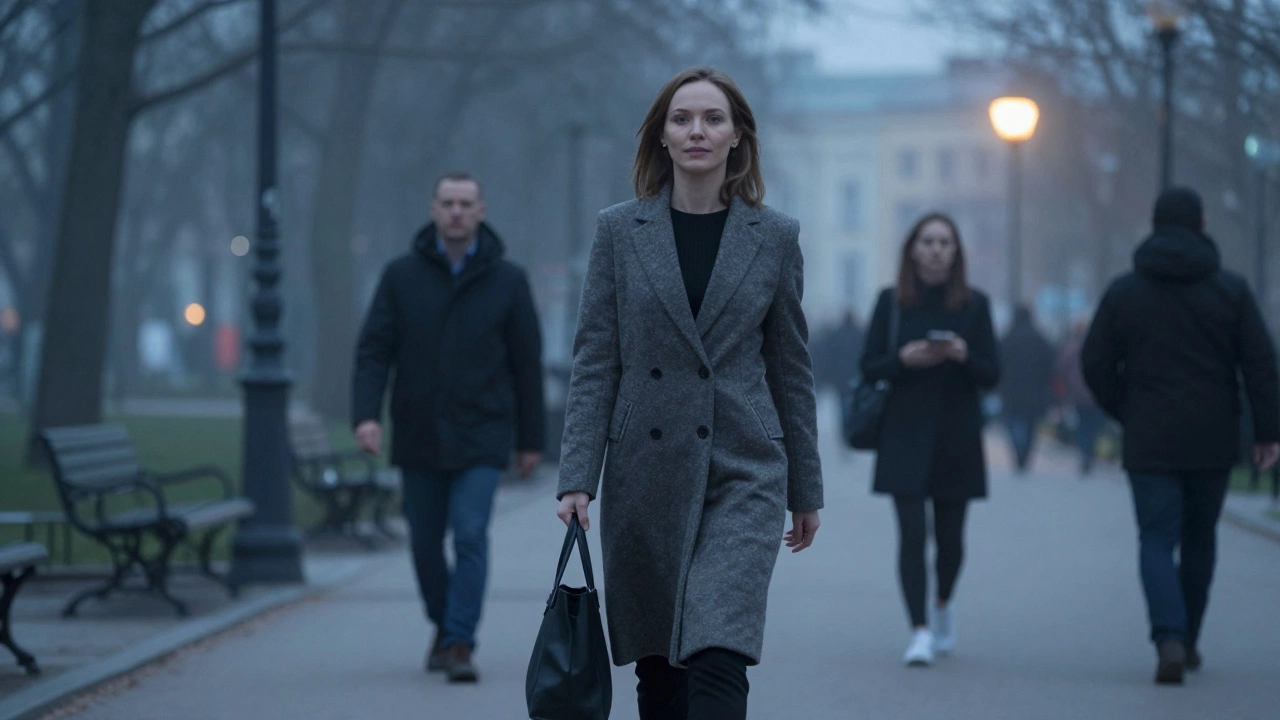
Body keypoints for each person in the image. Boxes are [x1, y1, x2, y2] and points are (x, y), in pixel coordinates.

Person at [554, 67, 822, 720]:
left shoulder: (775, 238)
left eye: (712, 118)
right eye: (682, 119)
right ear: (662, 138)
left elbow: (790, 367)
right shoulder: (620, 232)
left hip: (744, 468)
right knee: (660, 670)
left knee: (718, 647)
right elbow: (596, 361)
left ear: (737, 138)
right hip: (646, 469)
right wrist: (577, 474)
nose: (696, 130)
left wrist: (804, 489)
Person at [351, 172, 546, 684]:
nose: (456, 212)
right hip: (418, 432)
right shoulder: (400, 277)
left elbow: (527, 365)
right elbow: (374, 351)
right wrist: (366, 415)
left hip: (483, 434)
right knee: (423, 542)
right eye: (448, 203)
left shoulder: (509, 280)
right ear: (433, 209)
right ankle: (443, 623)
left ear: (481, 210)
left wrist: (531, 441)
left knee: (471, 535)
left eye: (466, 203)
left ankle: (460, 642)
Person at [1081, 186, 1280, 685]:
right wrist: (1267, 429)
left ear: (1153, 226)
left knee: (1155, 538)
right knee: (1199, 539)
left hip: (1149, 434)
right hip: (1213, 434)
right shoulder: (1230, 291)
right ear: (1203, 224)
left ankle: (1167, 635)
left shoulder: (1125, 291)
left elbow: (1094, 361)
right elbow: (1259, 364)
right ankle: (1189, 638)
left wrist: (1124, 407)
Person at [858, 212, 999, 667]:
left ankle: (941, 605)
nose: (936, 249)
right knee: (912, 536)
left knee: (952, 540)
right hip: (903, 433)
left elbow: (992, 374)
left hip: (957, 435)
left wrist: (962, 355)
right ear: (912, 250)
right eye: (927, 241)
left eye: (944, 242)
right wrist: (903, 360)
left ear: (956, 251)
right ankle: (918, 630)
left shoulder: (975, 304)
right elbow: (868, 366)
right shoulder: (891, 302)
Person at [998, 304, 1056, 473]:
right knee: (1030, 425)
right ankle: (1024, 456)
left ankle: (1018, 453)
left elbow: (997, 363)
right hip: (1035, 391)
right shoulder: (1039, 339)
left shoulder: (1007, 338)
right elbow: (1050, 364)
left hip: (1011, 390)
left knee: (1014, 424)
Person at [1055, 321, 1106, 475]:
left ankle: (1085, 453)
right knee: (1094, 425)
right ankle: (1089, 452)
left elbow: (1061, 369)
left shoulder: (1071, 346)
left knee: (1083, 425)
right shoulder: (1100, 346)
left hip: (1077, 394)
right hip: (1096, 393)